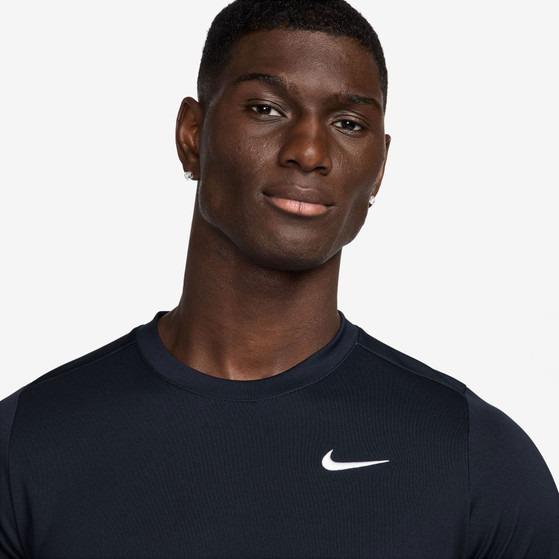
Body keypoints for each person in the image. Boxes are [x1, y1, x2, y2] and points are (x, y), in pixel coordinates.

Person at [1, 0, 558, 557]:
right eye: (267, 109)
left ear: (379, 168)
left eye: (349, 124)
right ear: (192, 134)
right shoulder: (29, 443)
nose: (309, 152)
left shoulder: (472, 459)